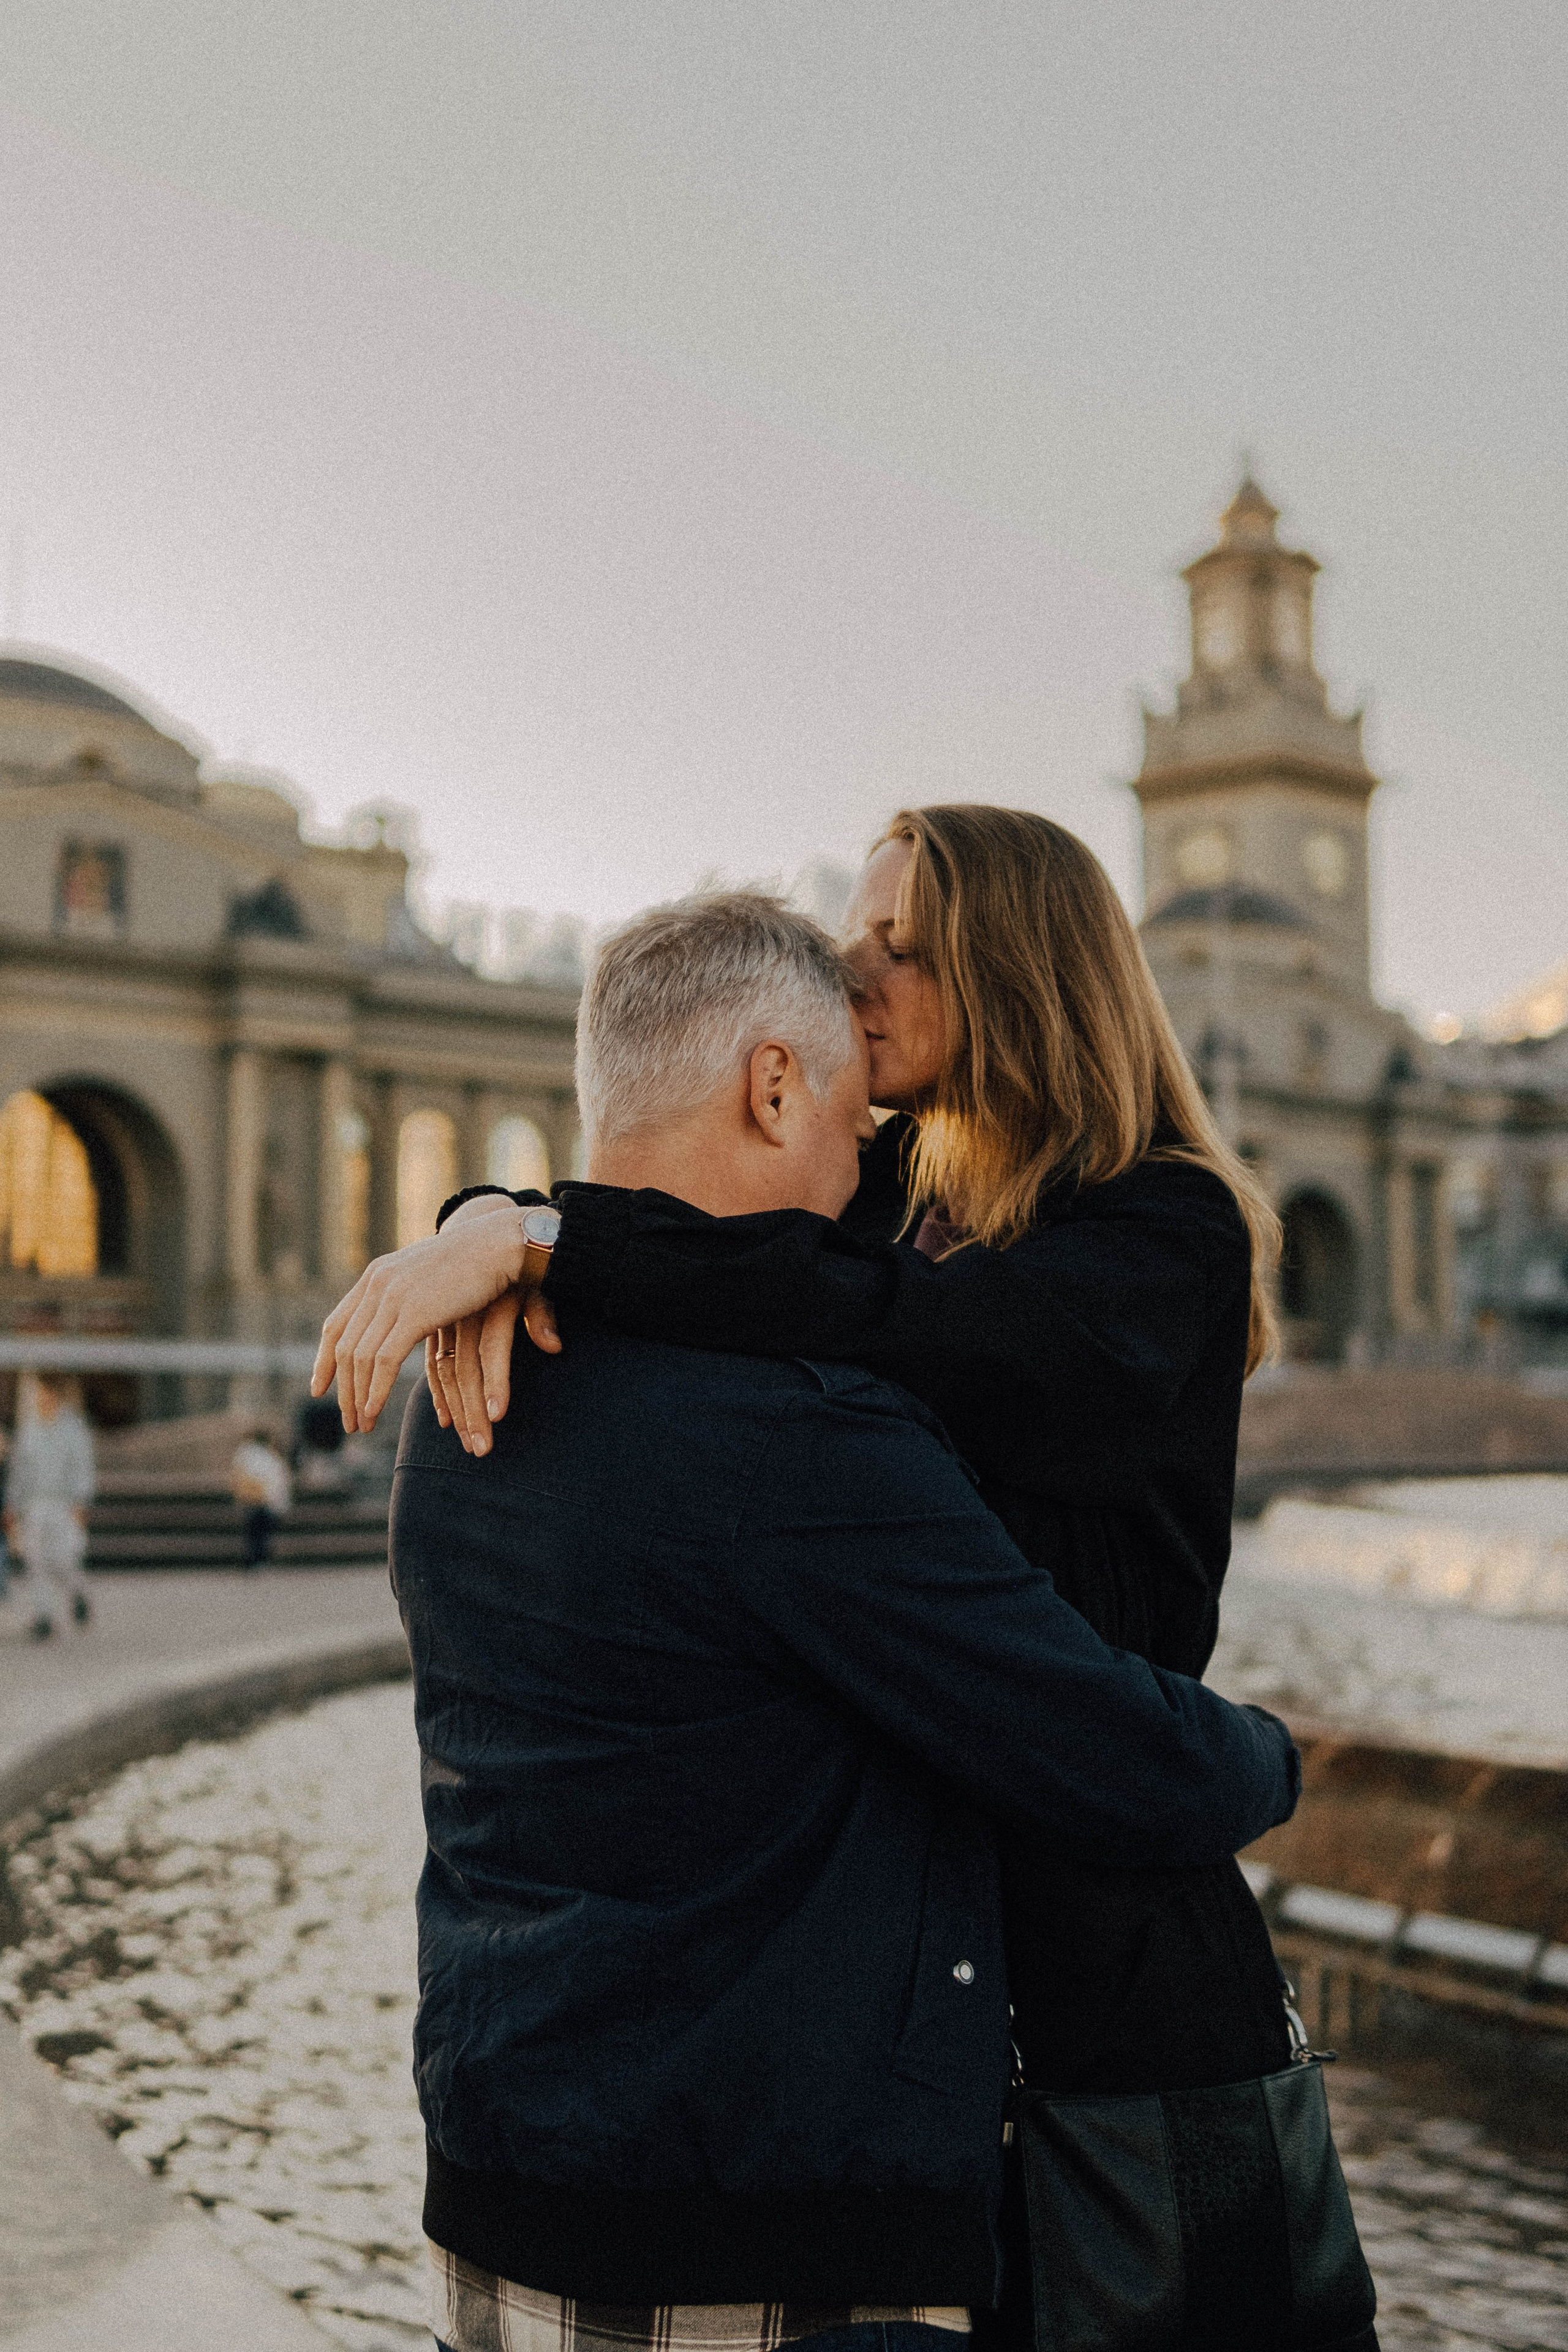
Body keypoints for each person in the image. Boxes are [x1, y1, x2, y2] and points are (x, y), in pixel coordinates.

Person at [315, 892, 1300, 2352]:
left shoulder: (472, 1386)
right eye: (848, 1124)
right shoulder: (795, 1434)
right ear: (773, 1085)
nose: (861, 1185)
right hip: (759, 2242)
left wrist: (515, 1223)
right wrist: (1274, 1758)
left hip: (506, 2187)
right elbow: (1096, 1742)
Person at [6, 1374, 96, 1639]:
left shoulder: (73, 1429)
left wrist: (81, 1500)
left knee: (64, 1557)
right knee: (36, 1560)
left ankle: (77, 1590)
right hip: (35, 1506)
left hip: (63, 1505)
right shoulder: (29, 1430)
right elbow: (20, 1471)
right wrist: (14, 1503)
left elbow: (82, 1466)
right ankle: (43, 1615)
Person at [229, 1425, 290, 1568]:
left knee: (258, 1532)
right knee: (258, 1532)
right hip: (259, 1498)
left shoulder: (250, 1453)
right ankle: (257, 1559)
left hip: (258, 1499)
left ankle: (257, 1559)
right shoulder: (257, 1454)